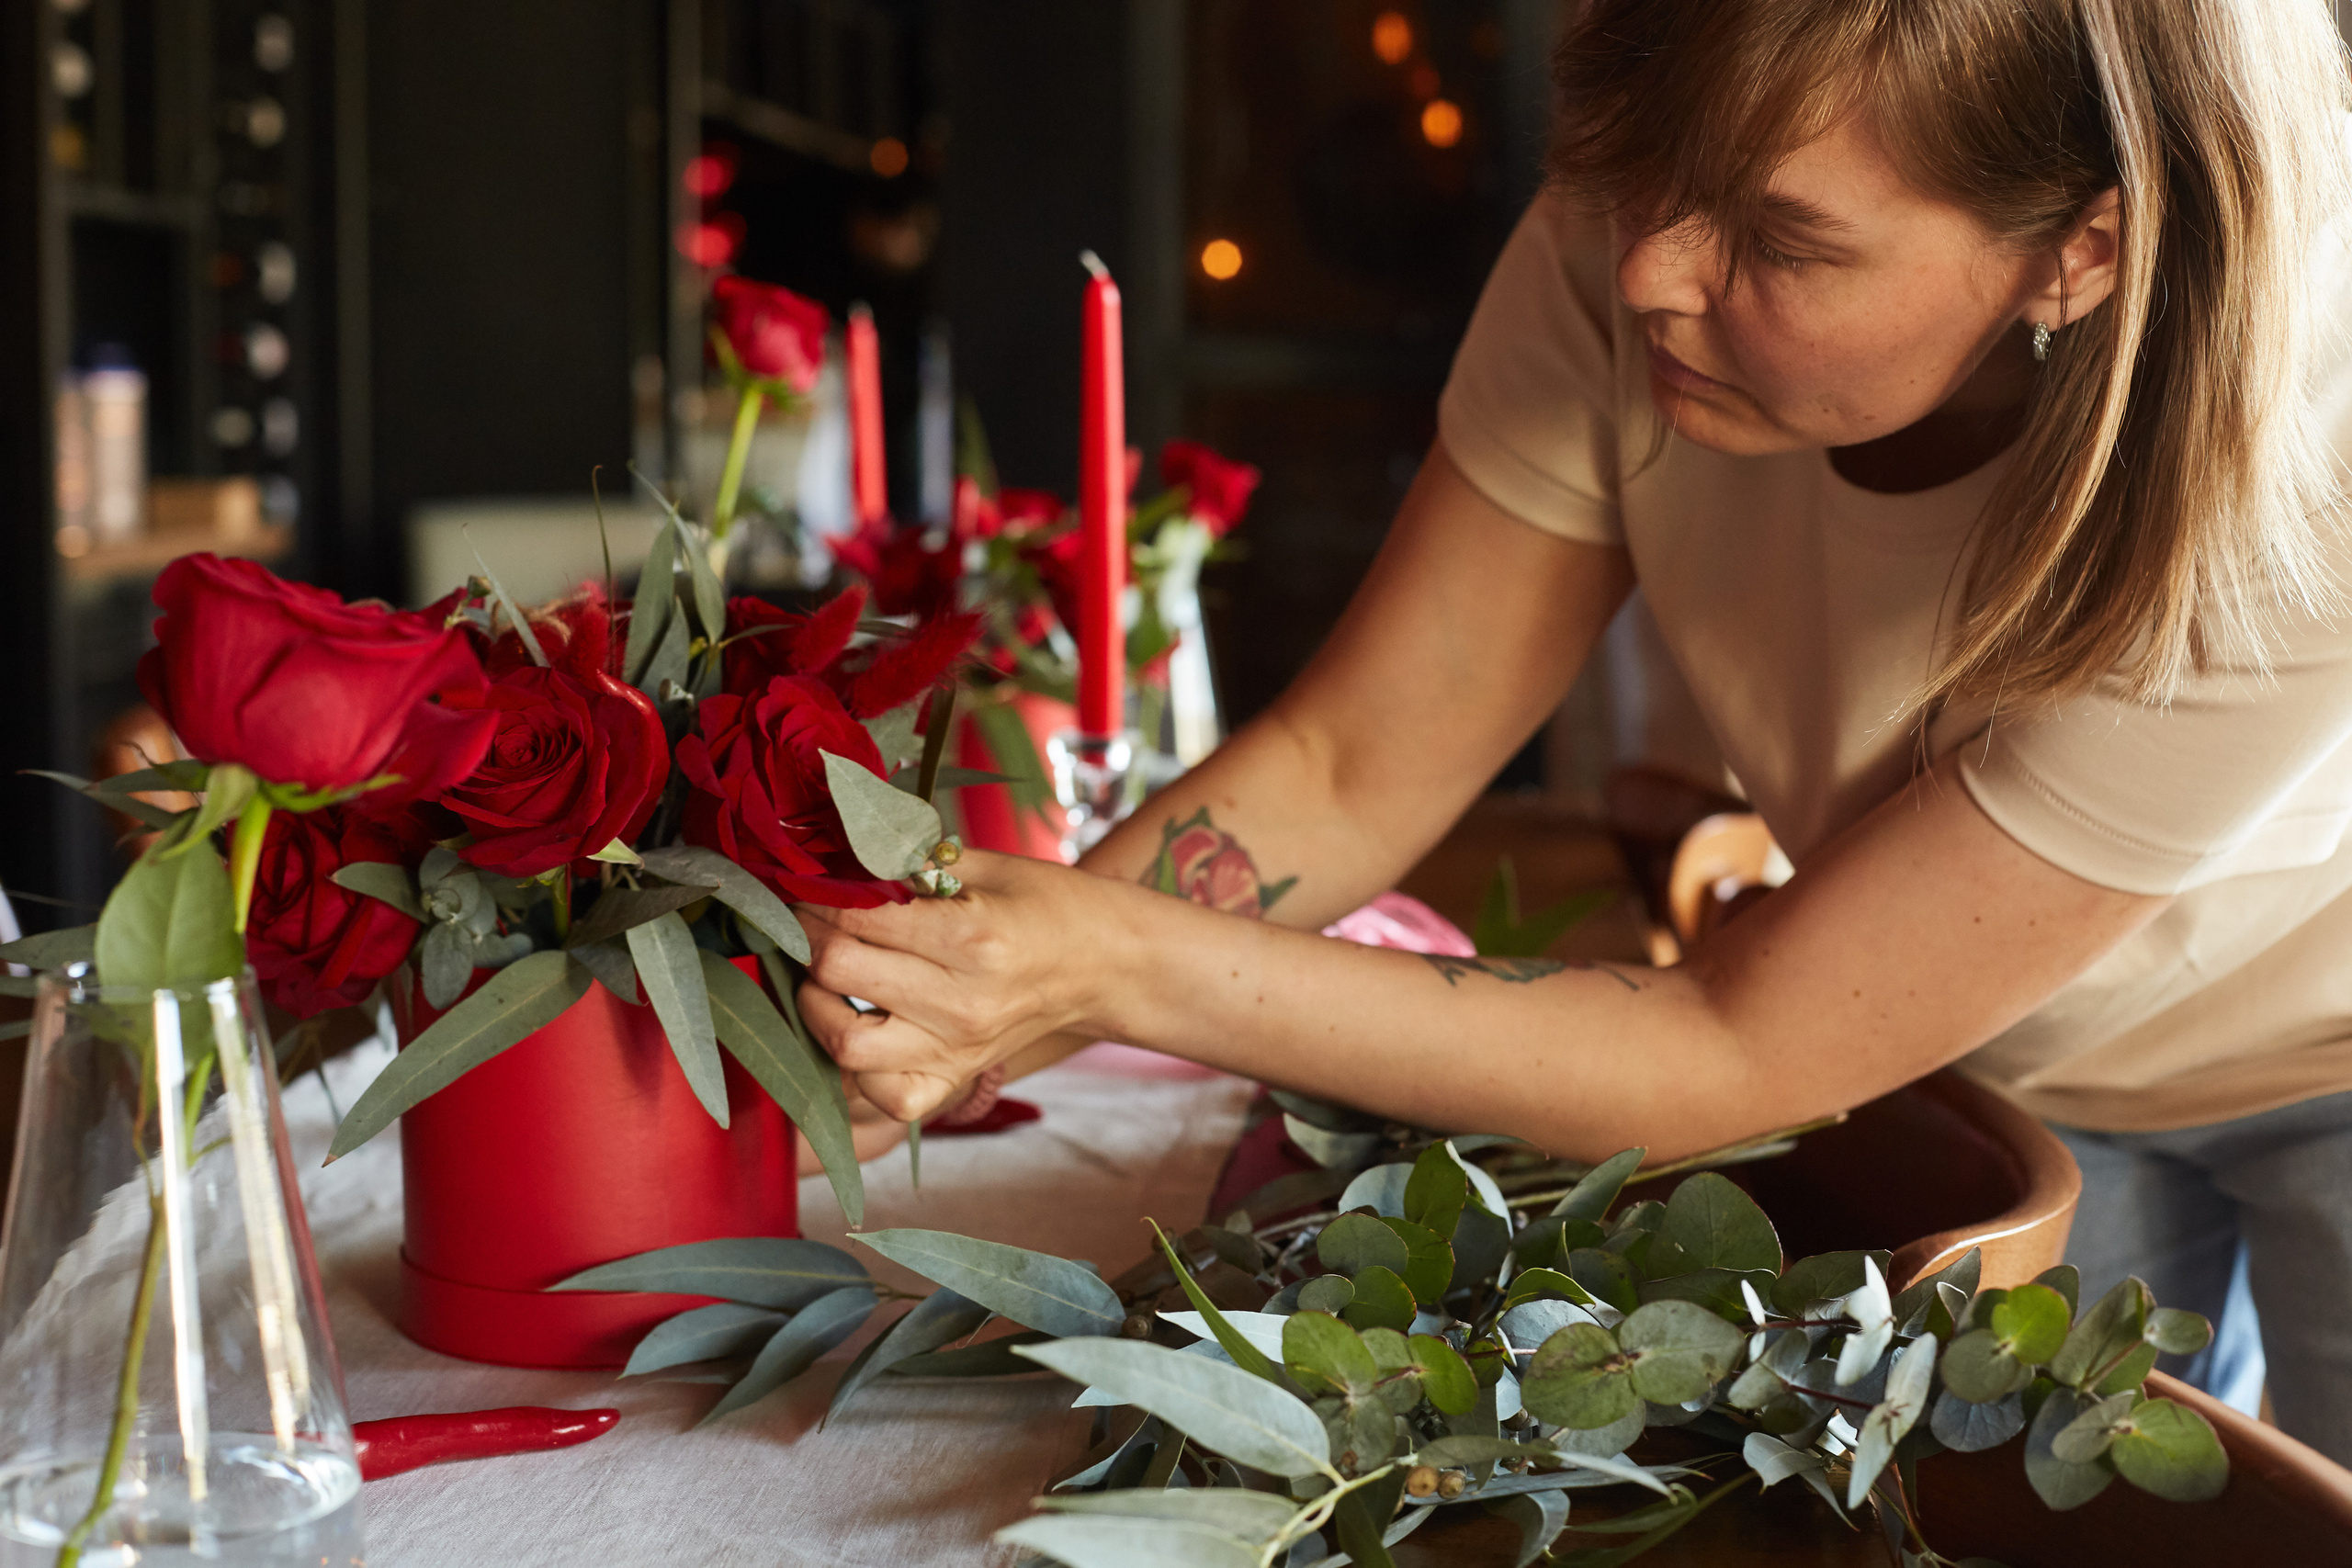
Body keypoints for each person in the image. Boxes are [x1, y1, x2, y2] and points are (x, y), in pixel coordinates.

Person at [797, 0, 2352, 1462]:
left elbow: (1737, 1042)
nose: (1650, 274)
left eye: (1777, 239)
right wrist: (940, 1012)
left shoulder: (2309, 481)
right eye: (1646, 172)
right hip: (1995, 1064)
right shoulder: (1658, 228)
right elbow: (1349, 766)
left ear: (2086, 248)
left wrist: (1111, 960)